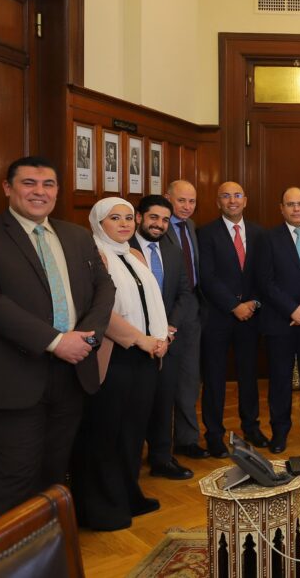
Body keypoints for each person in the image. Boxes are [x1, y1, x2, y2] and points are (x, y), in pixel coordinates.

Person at [0, 156, 115, 518]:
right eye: (29, 183)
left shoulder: (76, 236)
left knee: (53, 475)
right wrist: (56, 342)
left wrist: (85, 338)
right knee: (14, 478)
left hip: (71, 375)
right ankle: (13, 553)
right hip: (12, 378)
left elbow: (104, 288)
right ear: (8, 188)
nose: (40, 192)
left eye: (48, 184)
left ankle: (49, 547)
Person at [71, 197, 170, 530]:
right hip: (115, 355)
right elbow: (100, 312)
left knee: (132, 432)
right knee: (106, 432)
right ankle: (102, 508)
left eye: (129, 217)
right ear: (98, 223)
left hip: (146, 355)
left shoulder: (135, 255)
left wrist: (161, 337)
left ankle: (129, 495)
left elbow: (151, 302)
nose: (125, 223)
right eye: (115, 218)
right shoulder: (93, 256)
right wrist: (139, 339)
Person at [253, 188, 300, 452]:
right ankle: (280, 431)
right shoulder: (267, 239)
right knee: (280, 380)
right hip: (279, 322)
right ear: (281, 208)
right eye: (290, 204)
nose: (296, 209)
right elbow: (265, 281)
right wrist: (292, 310)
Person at [197, 181, 267, 457]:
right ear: (218, 202)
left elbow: (266, 274)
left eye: (237, 195)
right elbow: (207, 277)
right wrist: (233, 305)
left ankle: (251, 426)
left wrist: (253, 303)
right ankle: (214, 434)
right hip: (217, 318)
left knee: (249, 375)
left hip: (251, 316)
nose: (232, 200)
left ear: (245, 200)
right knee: (214, 378)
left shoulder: (260, 233)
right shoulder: (205, 233)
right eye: (226, 196)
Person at [132, 195, 198, 480]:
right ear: (139, 217)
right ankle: (130, 462)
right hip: (132, 343)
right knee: (136, 405)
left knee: (164, 402)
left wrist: (169, 329)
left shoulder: (172, 251)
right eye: (153, 218)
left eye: (164, 220)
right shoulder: (123, 248)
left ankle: (161, 458)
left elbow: (184, 293)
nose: (159, 224)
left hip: (167, 341)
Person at [162, 179, 206, 460]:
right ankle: (160, 445)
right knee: (164, 381)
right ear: (168, 198)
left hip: (192, 308)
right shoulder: (157, 227)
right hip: (164, 310)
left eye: (192, 201)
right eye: (181, 201)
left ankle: (187, 439)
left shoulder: (190, 226)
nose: (187, 206)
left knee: (190, 378)